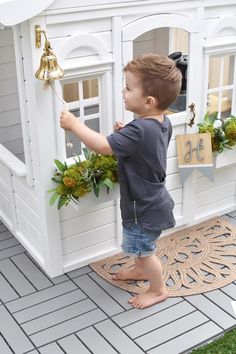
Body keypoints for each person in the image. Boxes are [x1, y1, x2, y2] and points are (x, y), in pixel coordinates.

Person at [60, 53, 182, 309]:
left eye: (128, 88)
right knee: (140, 247)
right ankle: (140, 271)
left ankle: (158, 289)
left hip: (143, 208)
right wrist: (124, 134)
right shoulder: (161, 122)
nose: (123, 92)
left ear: (148, 101)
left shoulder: (139, 130)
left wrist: (74, 124)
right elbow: (145, 147)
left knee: (145, 251)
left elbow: (104, 147)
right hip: (153, 200)